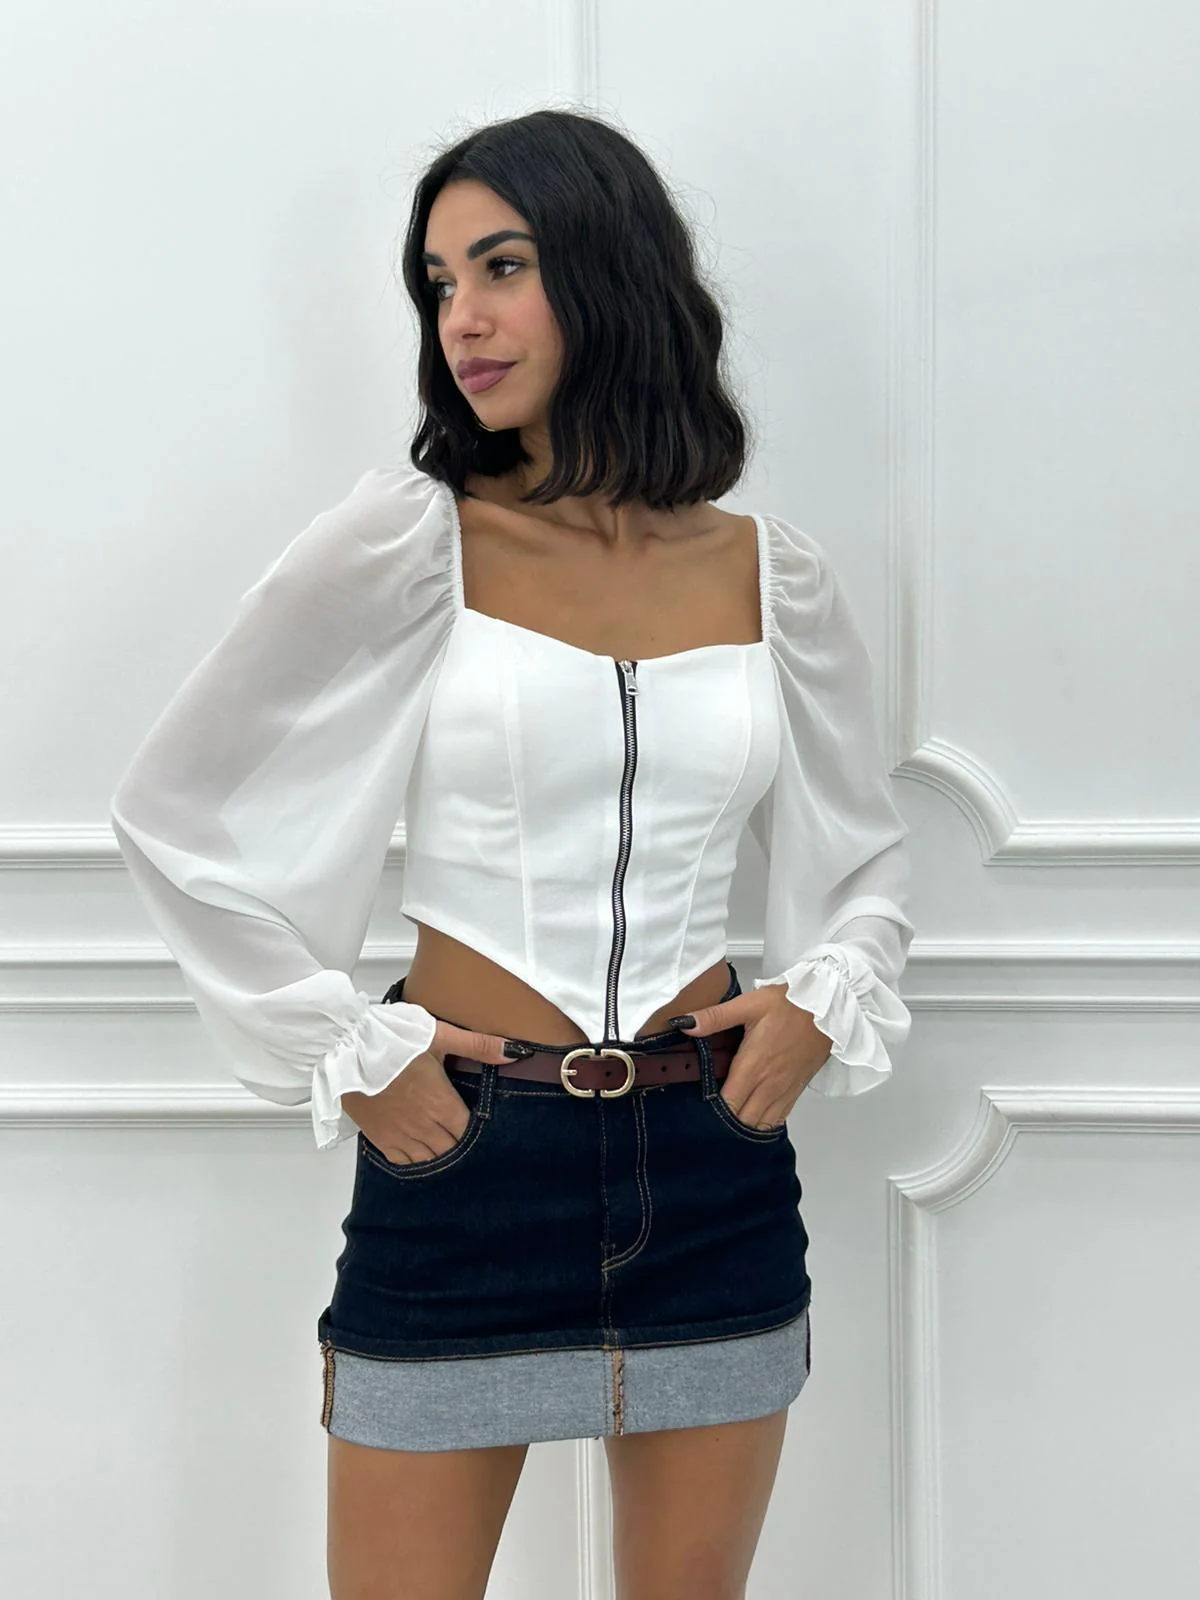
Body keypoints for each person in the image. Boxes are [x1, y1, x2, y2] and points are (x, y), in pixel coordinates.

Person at [110, 108, 915, 1600]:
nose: (460, 319)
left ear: (609, 271)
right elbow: (176, 808)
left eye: (502, 266)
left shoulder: (773, 576)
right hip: (463, 1154)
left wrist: (824, 1000)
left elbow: (863, 851)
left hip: (712, 1162)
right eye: (437, 283)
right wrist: (346, 1049)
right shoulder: (411, 544)